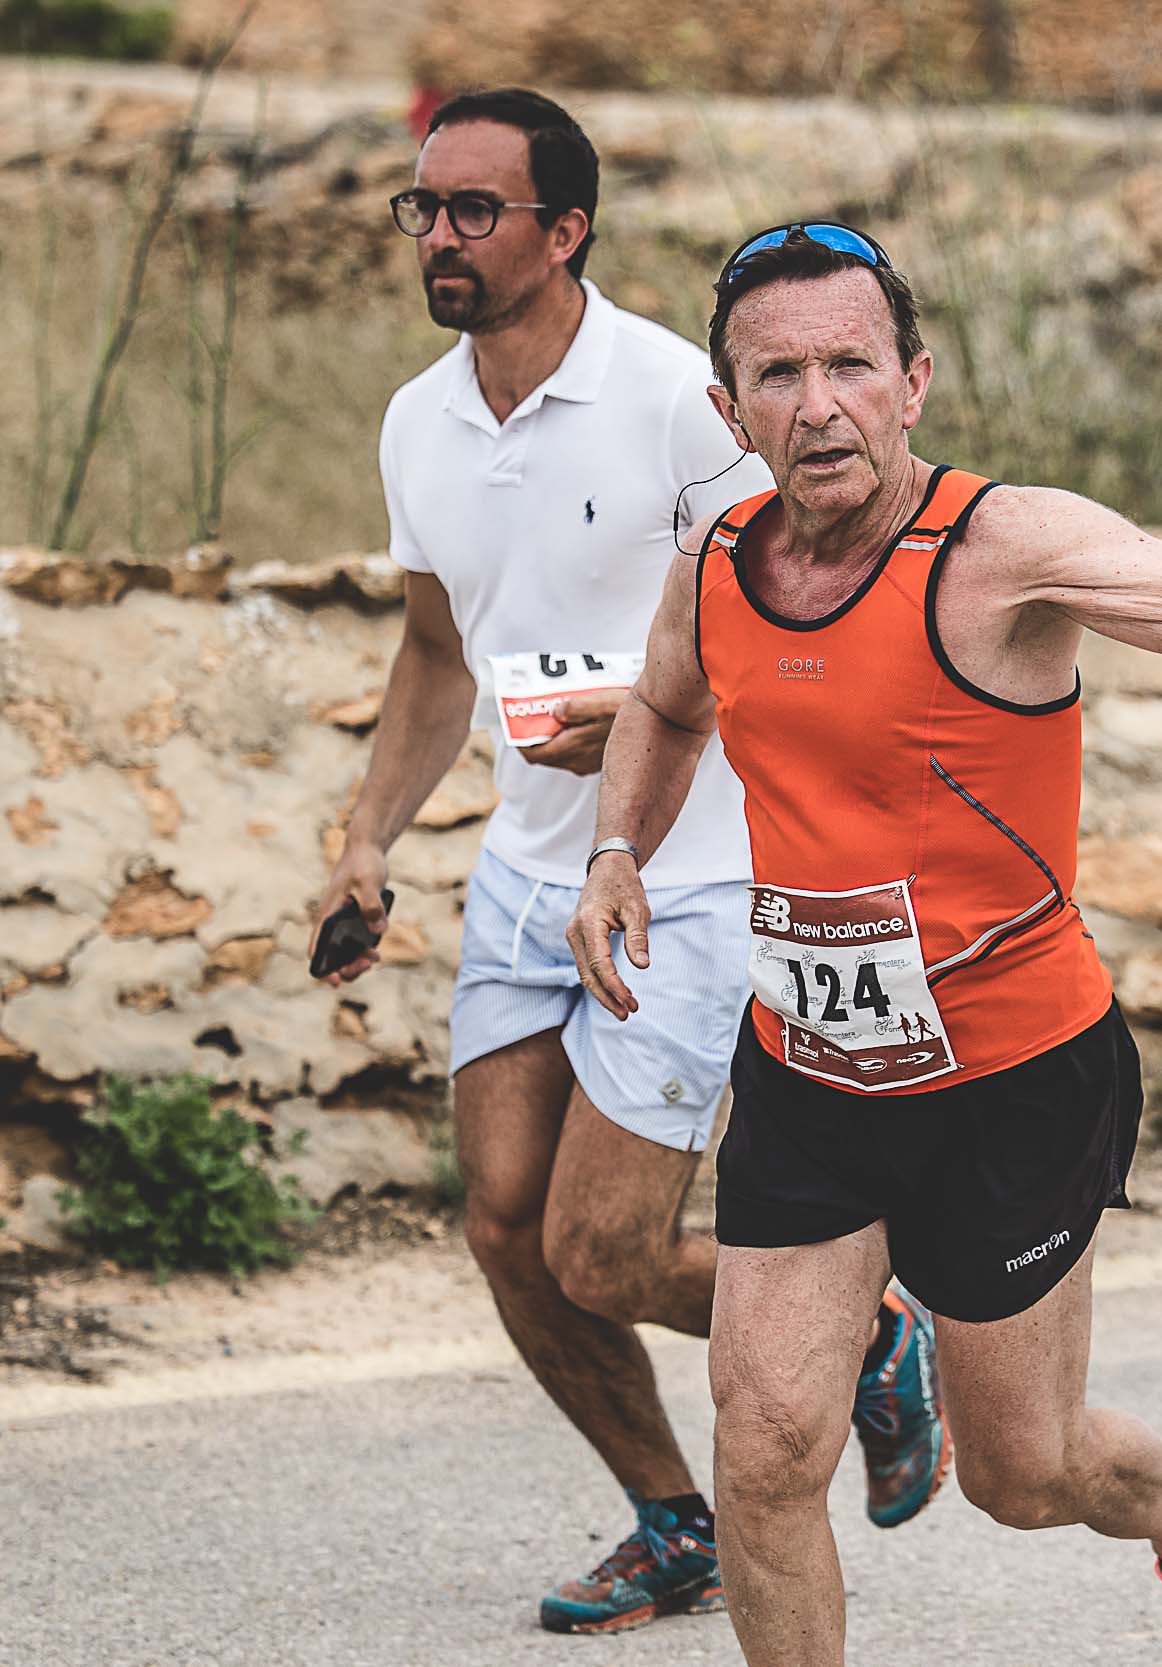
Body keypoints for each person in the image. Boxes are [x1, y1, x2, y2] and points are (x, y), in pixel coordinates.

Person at [563, 220, 1162, 1666]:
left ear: (913, 382)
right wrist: (617, 850)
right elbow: (663, 701)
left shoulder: (1000, 549)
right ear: (728, 408)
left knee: (1025, 1470)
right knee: (763, 1448)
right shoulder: (718, 557)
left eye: (850, 365)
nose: (818, 405)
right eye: (778, 375)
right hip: (813, 1064)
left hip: (1012, 1074)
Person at [309, 97, 948, 1638]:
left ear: (565, 231)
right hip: (528, 868)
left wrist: (658, 708)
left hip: (698, 869)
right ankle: (676, 1520)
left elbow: (795, 604)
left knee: (601, 1245)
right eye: (423, 209)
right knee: (504, 1226)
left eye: (476, 210)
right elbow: (436, 651)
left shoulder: (677, 396)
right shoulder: (417, 421)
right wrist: (367, 837)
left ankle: (871, 1327)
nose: (440, 236)